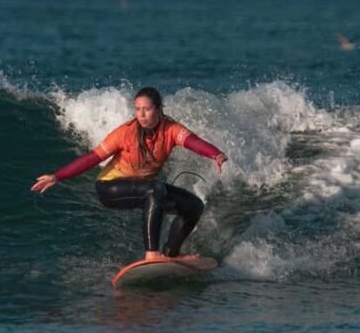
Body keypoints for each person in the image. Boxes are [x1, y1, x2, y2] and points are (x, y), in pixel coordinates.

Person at [31, 87, 227, 260]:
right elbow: (93, 157)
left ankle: (171, 254)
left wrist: (215, 154)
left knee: (194, 206)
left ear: (159, 109)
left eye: (147, 109)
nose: (141, 114)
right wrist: (57, 176)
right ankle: (151, 254)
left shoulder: (171, 129)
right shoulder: (126, 133)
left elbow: (193, 141)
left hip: (143, 188)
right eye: (137, 109)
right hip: (110, 187)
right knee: (155, 189)